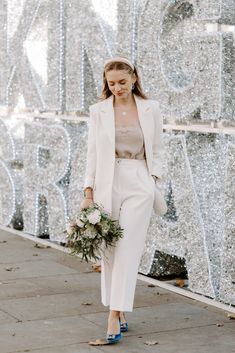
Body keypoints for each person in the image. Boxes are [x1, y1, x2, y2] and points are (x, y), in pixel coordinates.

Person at [80, 56, 165, 344]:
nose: (117, 88)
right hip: (107, 182)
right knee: (110, 251)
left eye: (122, 82)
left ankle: (114, 314)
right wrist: (88, 193)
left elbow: (159, 149)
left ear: (134, 78)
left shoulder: (151, 108)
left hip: (139, 180)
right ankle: (119, 308)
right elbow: (92, 153)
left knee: (128, 247)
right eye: (111, 83)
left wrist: (152, 180)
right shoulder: (98, 111)